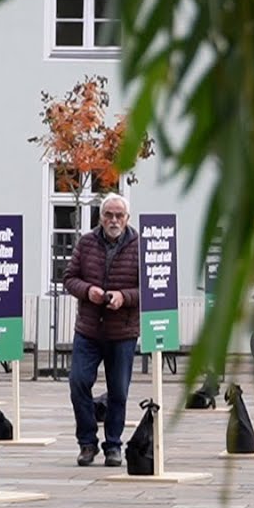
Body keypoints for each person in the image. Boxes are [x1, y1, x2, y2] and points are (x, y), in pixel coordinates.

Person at [63, 193, 141, 467]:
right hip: (89, 329)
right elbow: (69, 278)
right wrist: (89, 291)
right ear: (100, 217)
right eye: (109, 214)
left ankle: (113, 445)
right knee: (78, 382)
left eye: (119, 215)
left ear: (127, 218)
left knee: (118, 391)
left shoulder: (139, 245)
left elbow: (150, 290)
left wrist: (124, 297)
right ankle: (87, 442)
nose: (114, 220)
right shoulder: (86, 242)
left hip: (123, 331)